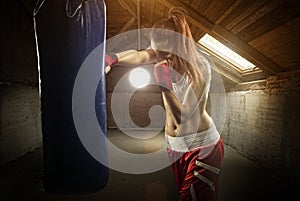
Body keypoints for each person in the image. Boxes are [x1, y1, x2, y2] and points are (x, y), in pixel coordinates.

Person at [105, 7, 224, 201]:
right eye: (155, 51)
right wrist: (113, 58)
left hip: (202, 149)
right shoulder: (161, 54)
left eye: (162, 53)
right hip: (175, 148)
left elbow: (183, 117)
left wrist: (164, 85)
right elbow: (139, 55)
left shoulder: (200, 67)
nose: (157, 58)